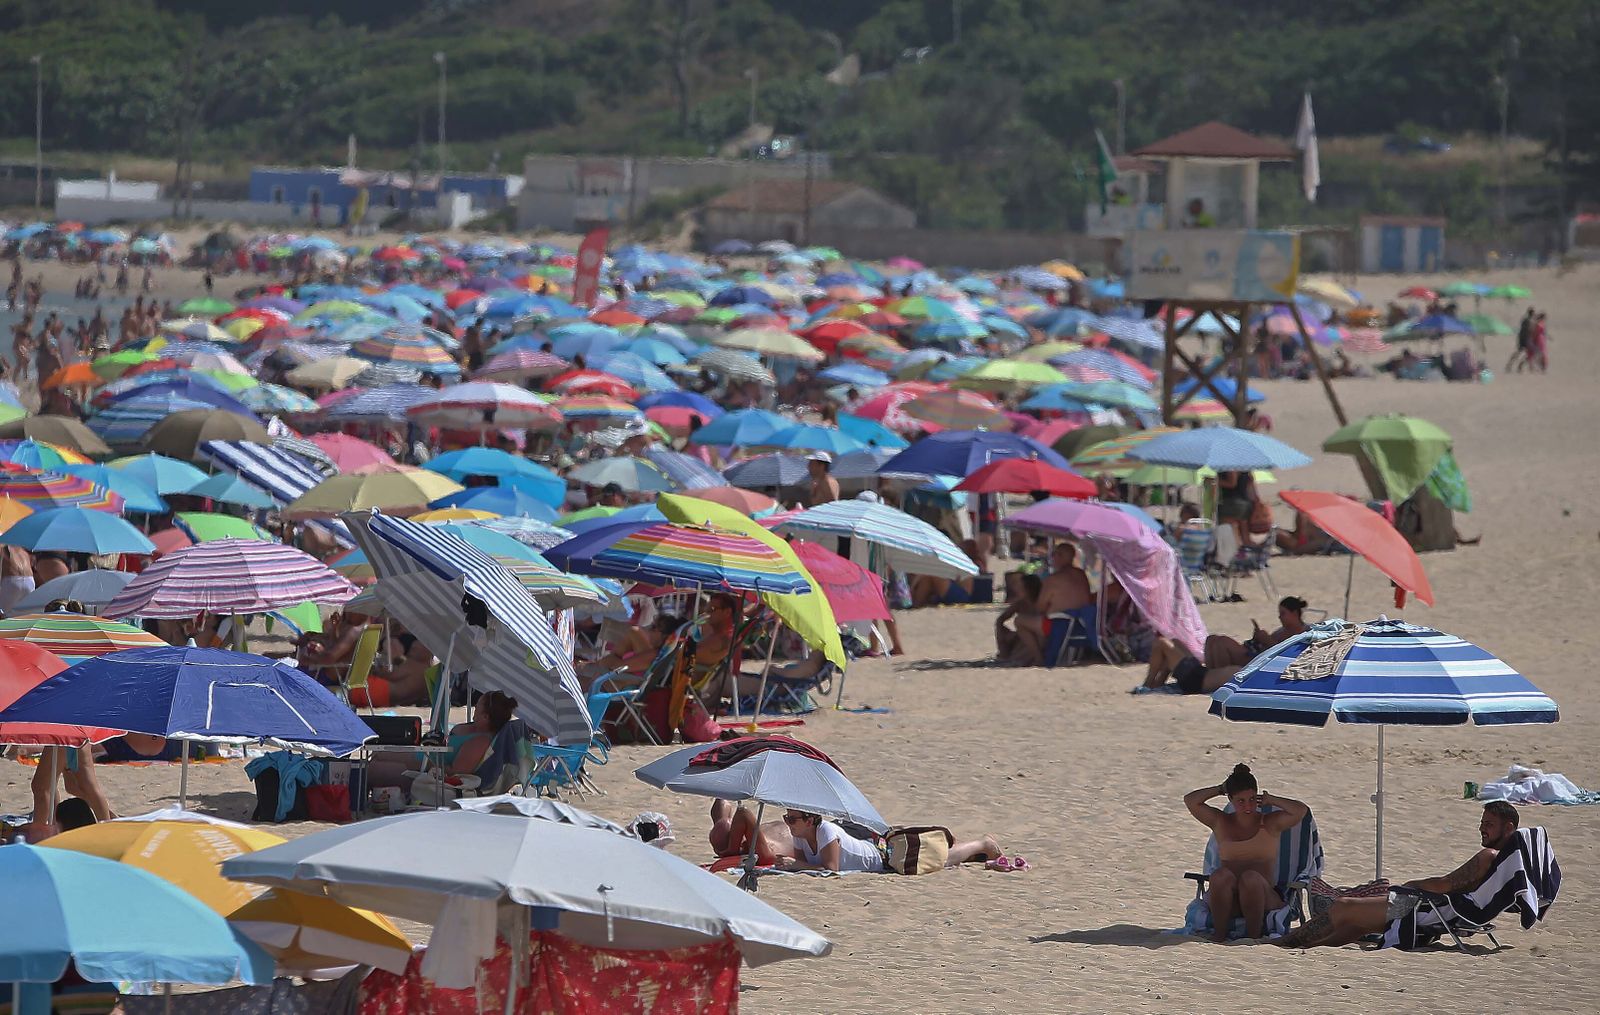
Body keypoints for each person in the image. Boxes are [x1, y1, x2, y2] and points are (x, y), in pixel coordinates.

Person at [1277, 802, 1522, 949]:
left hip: (1424, 908)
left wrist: (1410, 887)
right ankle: (1311, 945)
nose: (1482, 828)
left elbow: (1445, 884)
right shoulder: (1506, 863)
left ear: (1508, 827)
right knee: (1356, 922)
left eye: (1489, 824)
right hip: (1444, 911)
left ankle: (1287, 941)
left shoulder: (1488, 855)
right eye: (1482, 822)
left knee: (1343, 906)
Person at [1184, 765, 1310, 940]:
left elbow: (1301, 810)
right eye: (1240, 801)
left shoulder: (1269, 823)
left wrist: (1271, 799)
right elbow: (1190, 800)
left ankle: (1253, 936)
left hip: (1263, 896)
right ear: (1230, 799)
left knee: (1250, 878)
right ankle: (1219, 936)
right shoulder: (1221, 822)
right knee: (1220, 875)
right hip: (1230, 900)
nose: (1248, 806)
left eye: (1252, 799)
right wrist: (1221, 788)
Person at [778, 810, 1008, 873]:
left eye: (792, 819)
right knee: (941, 858)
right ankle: (978, 848)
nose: (788, 823)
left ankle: (983, 844)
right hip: (877, 854)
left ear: (810, 821)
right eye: (786, 818)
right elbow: (799, 863)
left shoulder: (826, 831)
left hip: (883, 858)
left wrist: (797, 865)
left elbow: (831, 868)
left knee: (942, 860)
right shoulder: (800, 836)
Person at [994, 571, 1044, 665]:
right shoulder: (1020, 604)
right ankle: (1004, 653)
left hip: (1035, 634)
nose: (1016, 589)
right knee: (1000, 626)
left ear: (1028, 589)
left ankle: (1036, 658)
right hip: (1024, 633)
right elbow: (1001, 619)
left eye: (1020, 587)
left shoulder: (1040, 602)